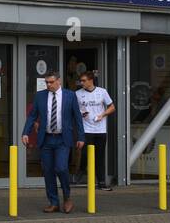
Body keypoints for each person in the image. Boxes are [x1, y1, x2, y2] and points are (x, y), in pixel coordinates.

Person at [21, 70, 85, 213]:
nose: (48, 85)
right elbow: (32, 116)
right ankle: (53, 202)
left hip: (63, 139)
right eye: (47, 82)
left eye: (51, 82)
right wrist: (26, 132)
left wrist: (81, 137)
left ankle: (67, 197)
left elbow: (77, 117)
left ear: (58, 81)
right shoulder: (40, 96)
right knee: (48, 171)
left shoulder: (70, 95)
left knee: (61, 168)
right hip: (46, 139)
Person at [76, 70, 115, 190]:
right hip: (86, 129)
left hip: (100, 130)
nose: (81, 83)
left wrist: (102, 115)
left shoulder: (102, 92)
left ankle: (101, 182)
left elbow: (112, 107)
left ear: (91, 80)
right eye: (81, 80)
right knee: (85, 154)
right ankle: (81, 173)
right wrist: (81, 114)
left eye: (84, 80)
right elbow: (75, 110)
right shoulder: (77, 93)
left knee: (100, 156)